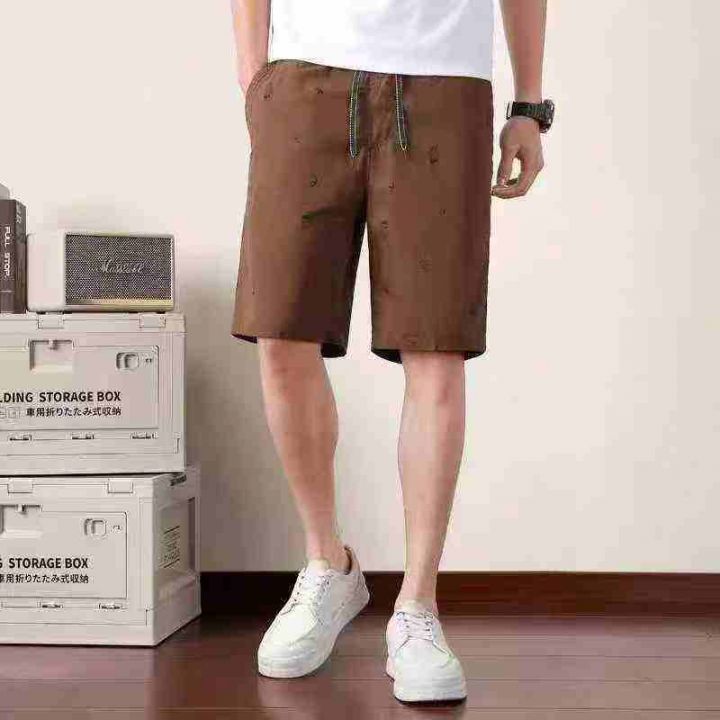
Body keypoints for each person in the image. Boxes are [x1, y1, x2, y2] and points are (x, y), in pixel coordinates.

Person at [230, 0, 552, 703]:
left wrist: (529, 105)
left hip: (443, 84)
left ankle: (417, 606)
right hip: (302, 80)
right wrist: (256, 80)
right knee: (281, 332)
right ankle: (327, 564)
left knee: (436, 347)